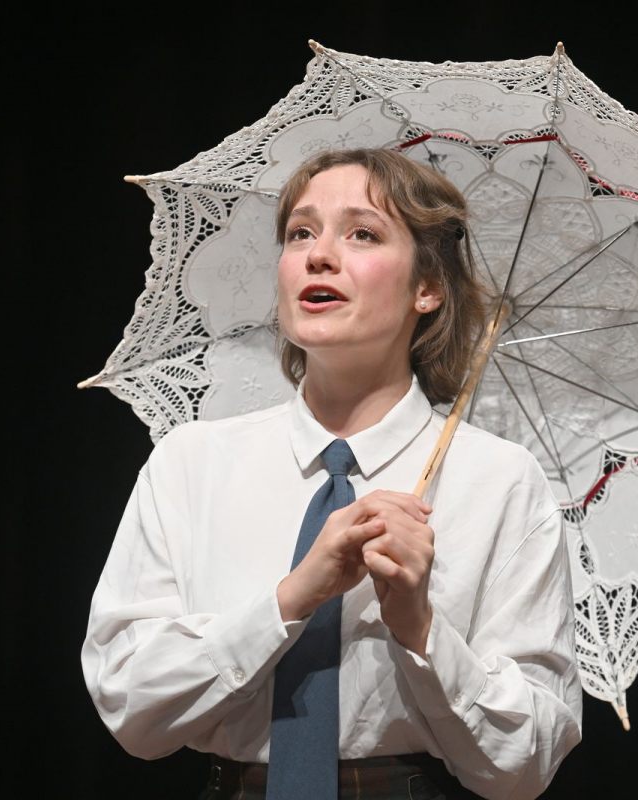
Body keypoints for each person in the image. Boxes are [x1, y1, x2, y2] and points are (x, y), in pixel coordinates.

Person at [81, 148, 582, 799]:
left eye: (362, 233)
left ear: (427, 287)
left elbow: (525, 767)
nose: (318, 255)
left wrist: (420, 628)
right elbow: (131, 710)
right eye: (300, 233)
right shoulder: (192, 463)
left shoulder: (499, 481)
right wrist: (293, 597)